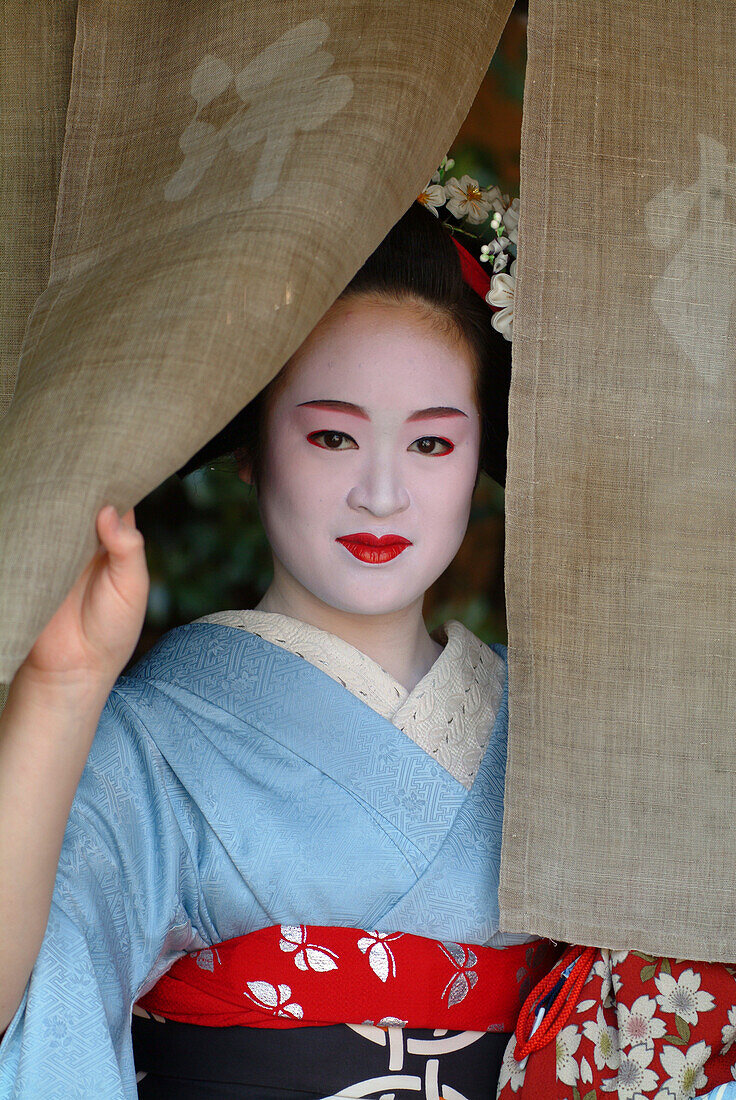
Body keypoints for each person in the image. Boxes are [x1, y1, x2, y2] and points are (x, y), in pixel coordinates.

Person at [0, 200, 557, 1099]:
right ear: (253, 443)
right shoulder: (155, 738)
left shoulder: (556, 727)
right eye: (333, 435)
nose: (383, 494)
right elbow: (26, 1004)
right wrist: (60, 691)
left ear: (480, 452)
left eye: (430, 441)